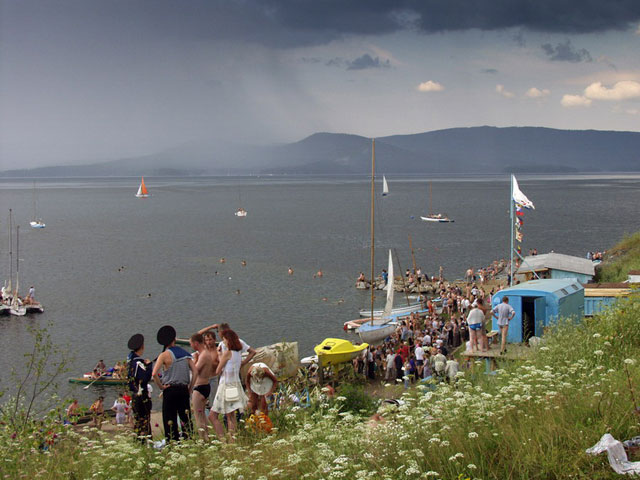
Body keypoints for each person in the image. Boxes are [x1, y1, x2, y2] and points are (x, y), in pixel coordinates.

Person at [152, 325, 196, 442]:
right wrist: (190, 388)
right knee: (186, 418)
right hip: (183, 389)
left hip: (170, 389)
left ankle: (172, 442)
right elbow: (195, 372)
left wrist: (161, 387)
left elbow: (154, 373)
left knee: (169, 419)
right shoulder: (185, 354)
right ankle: (189, 440)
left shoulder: (164, 355)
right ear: (174, 339)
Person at [210, 329, 248, 441]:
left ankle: (225, 439)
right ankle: (232, 439)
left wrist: (219, 354)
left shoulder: (228, 353)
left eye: (224, 339)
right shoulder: (238, 354)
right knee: (231, 415)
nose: (223, 342)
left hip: (225, 385)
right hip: (235, 384)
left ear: (228, 340)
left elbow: (218, 370)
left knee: (215, 415)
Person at [189, 332, 218, 441]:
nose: (191, 346)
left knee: (198, 416)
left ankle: (203, 439)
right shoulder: (206, 353)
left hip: (200, 387)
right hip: (205, 385)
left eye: (191, 343)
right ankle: (208, 436)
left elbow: (195, 370)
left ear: (196, 344)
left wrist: (194, 360)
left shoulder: (203, 355)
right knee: (203, 415)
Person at [127, 333, 153, 439]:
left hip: (134, 395)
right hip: (141, 395)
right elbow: (145, 378)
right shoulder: (138, 363)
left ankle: (138, 440)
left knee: (138, 420)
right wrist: (149, 366)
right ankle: (145, 441)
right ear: (142, 346)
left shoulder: (130, 362)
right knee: (144, 420)